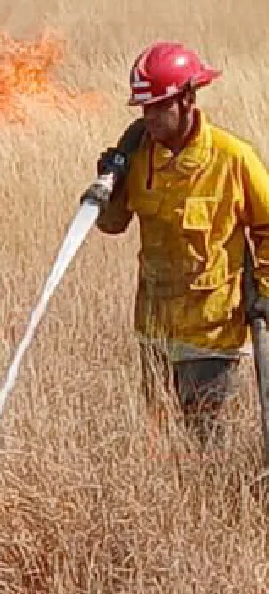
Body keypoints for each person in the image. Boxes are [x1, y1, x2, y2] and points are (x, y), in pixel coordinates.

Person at [93, 40, 269, 448]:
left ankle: (213, 507)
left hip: (210, 334)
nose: (149, 117)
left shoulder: (233, 159)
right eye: (143, 108)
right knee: (157, 446)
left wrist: (264, 289)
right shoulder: (139, 158)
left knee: (204, 443)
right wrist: (109, 184)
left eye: (159, 106)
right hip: (154, 329)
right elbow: (113, 225)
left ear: (188, 99)